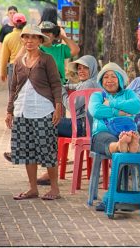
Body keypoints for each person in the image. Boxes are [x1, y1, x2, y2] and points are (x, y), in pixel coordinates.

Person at [5, 24, 62, 201]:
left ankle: (55, 189)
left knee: (47, 149)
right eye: (26, 37)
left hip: (44, 110)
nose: (29, 41)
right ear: (22, 40)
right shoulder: (18, 62)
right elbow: (13, 88)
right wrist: (9, 111)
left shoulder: (47, 59)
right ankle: (33, 188)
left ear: (39, 40)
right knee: (28, 150)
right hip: (22, 110)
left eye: (33, 37)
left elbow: (55, 84)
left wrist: (58, 106)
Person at [36, 55, 100, 185]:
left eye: (85, 68)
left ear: (92, 69)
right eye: (79, 68)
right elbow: (76, 86)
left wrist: (61, 92)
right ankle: (46, 165)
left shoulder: (88, 84)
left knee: (47, 123)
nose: (81, 71)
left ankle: (42, 162)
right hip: (90, 127)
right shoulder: (95, 82)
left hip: (82, 127)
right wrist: (67, 85)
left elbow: (72, 106)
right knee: (52, 130)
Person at [88, 62, 140, 157]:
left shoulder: (128, 93)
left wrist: (111, 103)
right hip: (103, 132)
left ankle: (125, 145)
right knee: (111, 141)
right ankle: (120, 146)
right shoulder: (97, 95)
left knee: (129, 137)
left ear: (120, 79)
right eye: (106, 77)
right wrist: (118, 112)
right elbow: (96, 111)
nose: (109, 80)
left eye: (113, 76)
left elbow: (136, 106)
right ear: (101, 81)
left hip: (128, 131)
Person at [0, 13, 27, 91]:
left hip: (13, 67)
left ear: (13, 23)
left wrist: (3, 73)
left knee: (13, 92)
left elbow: (4, 57)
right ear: (25, 23)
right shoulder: (29, 36)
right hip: (28, 66)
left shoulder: (8, 37)